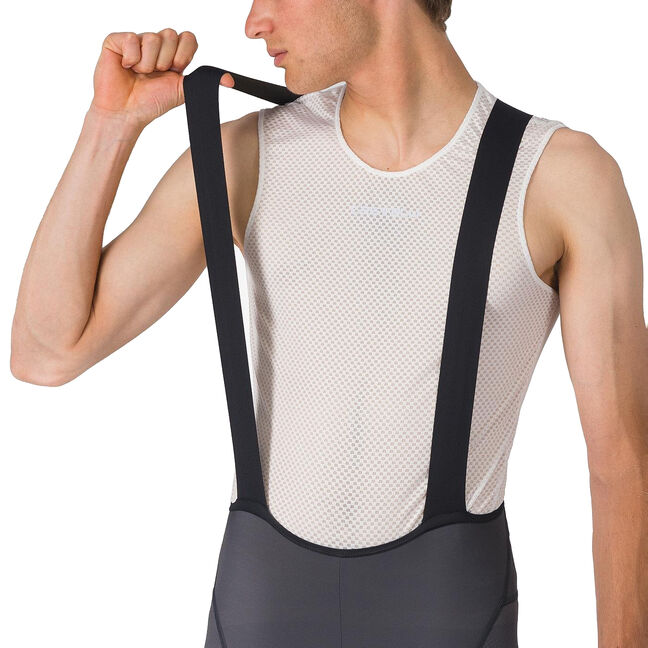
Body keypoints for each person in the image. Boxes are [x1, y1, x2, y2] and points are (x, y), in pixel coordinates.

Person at [10, 1, 647, 646]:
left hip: (449, 613)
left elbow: (623, 466)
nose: (254, 22)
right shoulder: (245, 156)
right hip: (261, 607)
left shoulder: (558, 176)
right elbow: (46, 352)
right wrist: (111, 124)